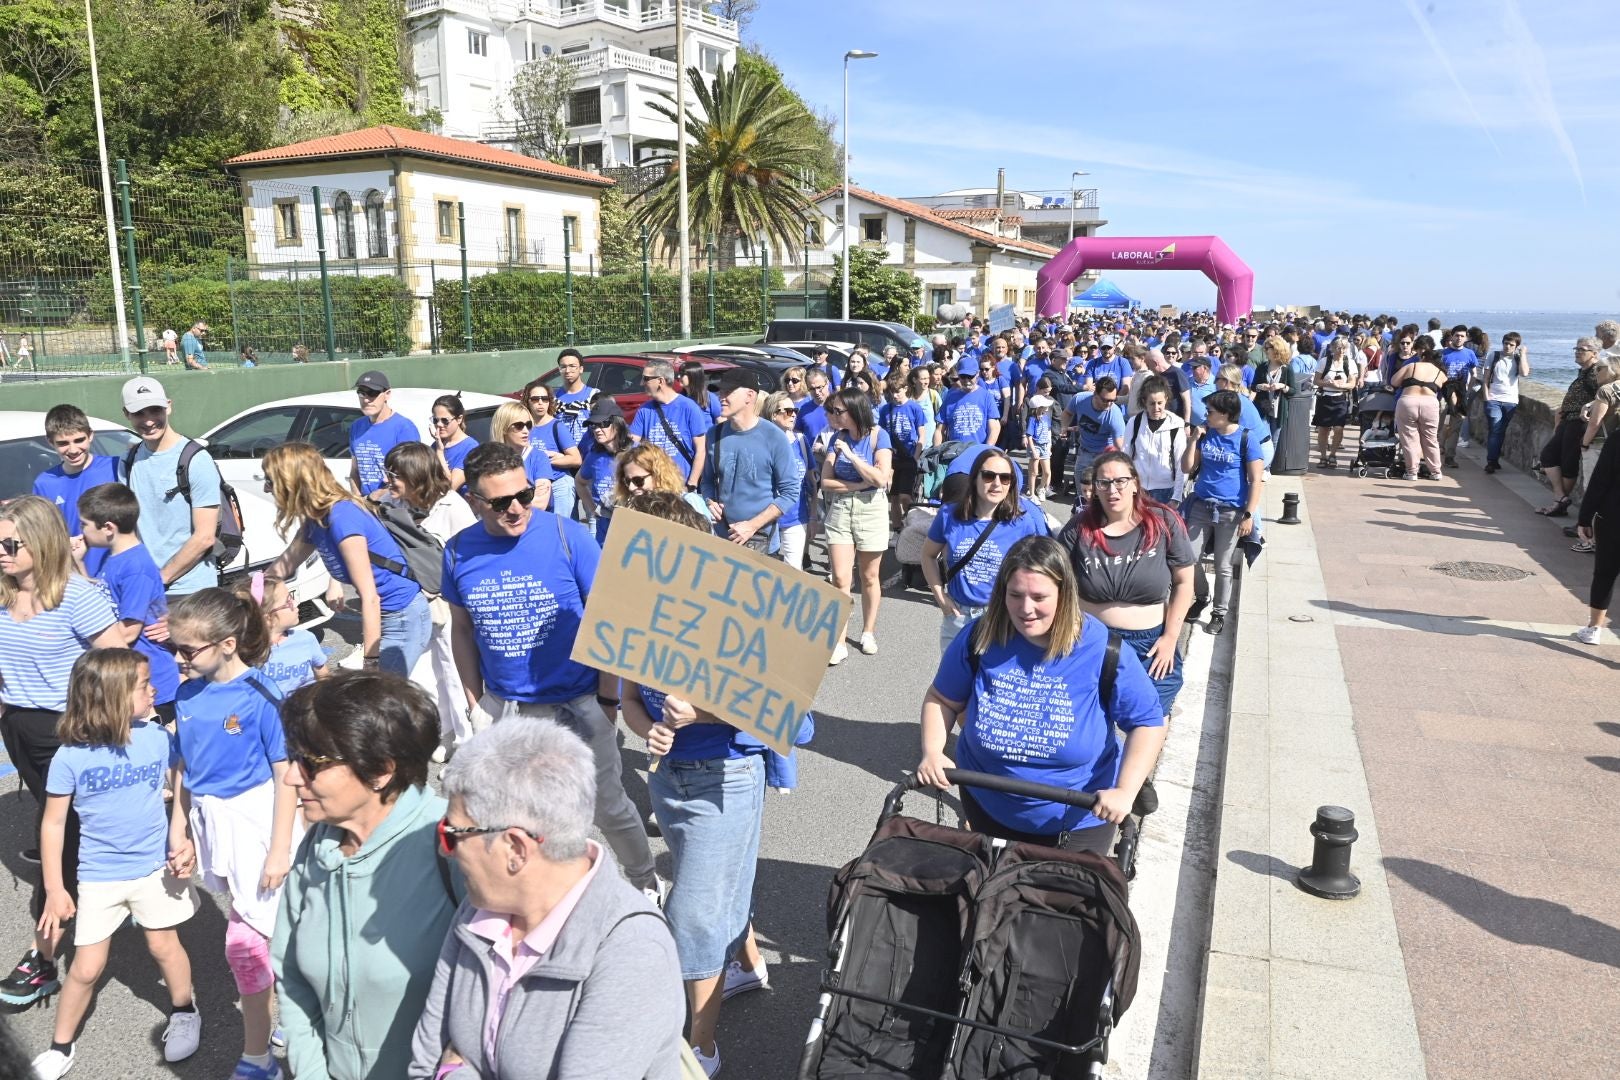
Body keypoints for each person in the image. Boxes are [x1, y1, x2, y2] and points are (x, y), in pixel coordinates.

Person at [408, 718, 685, 1080]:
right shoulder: (480, 912)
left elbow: (440, 1067)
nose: (446, 851)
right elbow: (424, 1063)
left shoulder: (633, 951)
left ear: (516, 849)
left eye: (452, 834)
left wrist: (452, 1071)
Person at [445, 443, 662, 900]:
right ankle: (549, 899)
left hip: (580, 703)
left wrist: (608, 700)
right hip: (511, 711)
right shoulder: (458, 552)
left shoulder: (568, 536)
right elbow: (462, 631)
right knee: (522, 817)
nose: (517, 508)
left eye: (524, 494)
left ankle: (644, 882)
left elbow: (610, 619)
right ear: (474, 501)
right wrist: (474, 703)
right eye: (501, 502)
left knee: (609, 807)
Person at [617, 493, 775, 1078]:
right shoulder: (633, 613)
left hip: (727, 775)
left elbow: (782, 713)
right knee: (715, 887)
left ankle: (700, 1048)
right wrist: (650, 729)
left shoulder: (734, 613)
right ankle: (749, 965)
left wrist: (702, 715)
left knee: (693, 912)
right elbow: (631, 701)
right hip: (669, 779)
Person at [915, 535, 1166, 855]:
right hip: (987, 803)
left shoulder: (1103, 650)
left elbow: (1146, 722)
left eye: (1039, 596)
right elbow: (942, 699)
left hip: (1077, 819)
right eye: (1015, 595)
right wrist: (933, 750)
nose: (1026, 608)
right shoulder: (980, 636)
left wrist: (1125, 791)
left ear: (1065, 594)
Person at [273, 671, 460, 1080]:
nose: (291, 776)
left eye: (311, 762)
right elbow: (289, 976)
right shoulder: (317, 847)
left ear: (380, 770)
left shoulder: (452, 846)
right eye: (292, 758)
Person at [30, 649, 201, 1080]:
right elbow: (53, 825)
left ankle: (184, 1010)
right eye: (143, 686)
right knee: (85, 967)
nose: (153, 690)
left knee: (164, 945)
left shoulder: (155, 737)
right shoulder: (69, 757)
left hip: (152, 869)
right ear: (111, 697)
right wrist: (55, 888)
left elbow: (183, 776)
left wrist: (186, 837)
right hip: (98, 876)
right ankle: (60, 1046)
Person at [167, 587, 300, 1080]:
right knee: (261, 924)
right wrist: (179, 829)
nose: (178, 660)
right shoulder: (185, 693)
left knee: (249, 938)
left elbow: (286, 773)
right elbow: (182, 764)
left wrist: (280, 849)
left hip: (257, 824)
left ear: (227, 643)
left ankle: (257, 1057)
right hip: (211, 822)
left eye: (187, 650)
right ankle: (285, 1015)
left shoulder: (262, 695)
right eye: (173, 649)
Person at [0, 498, 121, 1009]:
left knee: (66, 837)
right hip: (18, 727)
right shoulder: (2, 597)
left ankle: (42, 957)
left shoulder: (78, 597)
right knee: (59, 829)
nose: (1, 553)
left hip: (66, 733)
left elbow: (119, 663)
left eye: (10, 544)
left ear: (42, 542)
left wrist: (101, 725)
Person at [264, 442, 432, 676]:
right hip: (384, 615)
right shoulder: (316, 519)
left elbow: (370, 597)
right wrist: (241, 600)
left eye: (270, 481)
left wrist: (370, 664)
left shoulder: (342, 517)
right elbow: (280, 568)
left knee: (379, 701)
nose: (265, 488)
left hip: (401, 618)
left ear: (292, 481)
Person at [1060, 451, 1194, 723]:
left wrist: (1170, 638)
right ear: (1095, 489)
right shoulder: (1079, 528)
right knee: (1089, 719)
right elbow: (1054, 581)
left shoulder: (1162, 522)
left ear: (1135, 483)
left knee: (1151, 718)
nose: (1112, 489)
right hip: (1091, 640)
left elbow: (1184, 582)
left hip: (1149, 645)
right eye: (1103, 483)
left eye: (1120, 481)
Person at [381, 441, 477, 753]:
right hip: (417, 606)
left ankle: (467, 743)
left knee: (454, 671)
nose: (388, 480)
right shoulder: (397, 505)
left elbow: (470, 559)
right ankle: (440, 734)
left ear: (416, 474)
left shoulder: (452, 506)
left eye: (395, 474)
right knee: (424, 675)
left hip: (451, 607)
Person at [922, 448, 1050, 652]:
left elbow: (1038, 573)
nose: (997, 484)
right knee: (952, 683)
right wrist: (940, 597)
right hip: (957, 616)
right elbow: (928, 555)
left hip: (1000, 617)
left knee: (989, 682)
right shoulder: (949, 515)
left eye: (1005, 478)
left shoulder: (1022, 522)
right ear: (975, 478)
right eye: (989, 476)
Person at [75, 483, 182, 723]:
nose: (81, 531)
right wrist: (79, 564)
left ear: (108, 528)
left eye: (84, 524)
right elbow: (97, 600)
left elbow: (129, 631)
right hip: (127, 677)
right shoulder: (114, 557)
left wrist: (85, 640)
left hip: (151, 683)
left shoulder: (136, 567)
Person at [118, 376, 223, 597]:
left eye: (154, 410)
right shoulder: (128, 460)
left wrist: (162, 578)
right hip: (148, 588)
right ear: (126, 414)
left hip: (192, 591)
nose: (148, 421)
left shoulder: (196, 460)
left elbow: (205, 536)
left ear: (168, 406)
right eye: (139, 413)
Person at [1180, 391, 1265, 636]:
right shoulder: (1207, 435)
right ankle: (1202, 596)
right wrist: (1194, 440)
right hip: (1201, 506)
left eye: (1211, 412)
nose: (1206, 415)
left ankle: (1219, 612)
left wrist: (1248, 514)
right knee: (1190, 557)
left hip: (1231, 512)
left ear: (1226, 415)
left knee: (1223, 565)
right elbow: (1187, 467)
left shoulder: (1246, 439)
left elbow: (1255, 479)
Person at [821, 386, 894, 663]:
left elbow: (880, 479)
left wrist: (851, 457)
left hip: (870, 509)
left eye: (837, 411)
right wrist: (856, 484)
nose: (832, 415)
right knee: (840, 578)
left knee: (870, 576)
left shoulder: (878, 436)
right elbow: (825, 482)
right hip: (840, 509)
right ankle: (839, 641)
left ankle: (868, 631)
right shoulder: (836, 438)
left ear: (853, 412)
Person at [698, 368, 800, 554]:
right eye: (720, 391)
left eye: (728, 392)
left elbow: (790, 492)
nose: (722, 397)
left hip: (761, 543)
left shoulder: (774, 437)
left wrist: (752, 525)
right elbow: (706, 481)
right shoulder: (715, 434)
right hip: (723, 541)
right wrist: (709, 501)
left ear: (750, 396)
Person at [32, 405, 120, 577]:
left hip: (119, 574)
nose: (73, 450)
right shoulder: (45, 483)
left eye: (79, 440)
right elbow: (42, 537)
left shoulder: (116, 467)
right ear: (50, 442)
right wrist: (63, 543)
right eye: (63, 443)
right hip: (75, 578)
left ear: (91, 435)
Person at [1535, 340, 1604, 517]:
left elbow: (1604, 396)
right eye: (1576, 348)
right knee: (1549, 457)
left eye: (1582, 349)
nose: (1577, 352)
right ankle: (1560, 499)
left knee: (1567, 464)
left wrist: (1588, 408)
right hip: (1568, 421)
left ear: (1595, 353)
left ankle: (1559, 503)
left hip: (1579, 424)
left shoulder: (1596, 372)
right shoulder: (1583, 372)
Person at [244, 572, 329, 696]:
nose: (295, 603)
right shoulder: (247, 652)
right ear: (268, 618)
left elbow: (323, 675)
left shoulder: (306, 639)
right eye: (288, 602)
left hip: (303, 709)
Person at [629, 358, 709, 489]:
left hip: (681, 485)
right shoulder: (644, 410)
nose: (642, 382)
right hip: (653, 485)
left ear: (660, 381)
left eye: (646, 378)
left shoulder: (689, 407)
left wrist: (692, 483)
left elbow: (701, 450)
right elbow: (632, 446)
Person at [1574, 430, 1620, 644]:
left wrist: (1584, 518)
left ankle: (1594, 628)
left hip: (1613, 516)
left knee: (1605, 573)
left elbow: (1601, 478)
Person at [762, 390, 815, 571]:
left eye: (795, 411)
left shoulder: (801, 441)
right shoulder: (761, 443)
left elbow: (811, 482)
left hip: (796, 516)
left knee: (793, 571)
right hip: (767, 516)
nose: (793, 415)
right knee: (767, 570)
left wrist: (813, 515)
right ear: (773, 414)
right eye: (788, 411)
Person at [349, 370, 420, 499]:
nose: (366, 399)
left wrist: (377, 497)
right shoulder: (356, 427)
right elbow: (355, 470)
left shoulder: (404, 428)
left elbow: (411, 475)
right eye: (361, 393)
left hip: (395, 505)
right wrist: (358, 499)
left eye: (372, 393)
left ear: (387, 394)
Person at [523, 379, 582, 521]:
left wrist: (553, 459)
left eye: (545, 399)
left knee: (560, 527)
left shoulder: (557, 426)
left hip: (558, 484)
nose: (540, 403)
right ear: (527, 401)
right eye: (535, 399)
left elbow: (576, 459)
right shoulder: (523, 427)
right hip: (532, 487)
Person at [575, 397, 632, 544]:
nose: (598, 429)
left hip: (632, 525)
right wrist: (593, 509)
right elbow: (579, 482)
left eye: (604, 424)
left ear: (618, 424)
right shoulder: (593, 456)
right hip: (605, 525)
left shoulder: (637, 452)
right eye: (593, 426)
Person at [1123, 376, 1188, 504]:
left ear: (1166, 400)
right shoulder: (1134, 422)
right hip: (1138, 489)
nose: (1156, 408)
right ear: (1144, 401)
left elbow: (1181, 463)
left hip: (1165, 491)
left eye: (1160, 403)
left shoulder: (1175, 425)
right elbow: (1125, 456)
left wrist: (1177, 496)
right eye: (1152, 403)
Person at [615, 442, 711, 524]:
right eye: (627, 481)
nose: (631, 487)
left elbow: (704, 541)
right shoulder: (630, 510)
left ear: (658, 475)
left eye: (638, 481)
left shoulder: (690, 502)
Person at [878, 372, 927, 532]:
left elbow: (922, 434)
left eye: (898, 391)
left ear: (906, 388)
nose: (895, 395)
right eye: (892, 392)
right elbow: (882, 433)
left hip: (909, 456)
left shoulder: (914, 408)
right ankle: (898, 528)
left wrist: (916, 456)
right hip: (893, 457)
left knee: (905, 496)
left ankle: (910, 523)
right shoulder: (886, 409)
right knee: (893, 497)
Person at [1061, 375, 1127, 490]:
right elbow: (1067, 413)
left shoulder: (1114, 415)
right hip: (1085, 450)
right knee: (1082, 489)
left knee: (1101, 491)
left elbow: (1120, 445)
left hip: (1104, 455)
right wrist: (1064, 427)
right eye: (1105, 400)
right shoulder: (1080, 399)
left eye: (1113, 400)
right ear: (1095, 394)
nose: (1109, 404)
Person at [1480, 332, 1530, 474]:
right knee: (1495, 429)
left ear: (1516, 346)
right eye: (1505, 343)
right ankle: (1491, 461)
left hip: (1511, 401)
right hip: (1494, 399)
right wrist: (1486, 398)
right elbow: (1485, 379)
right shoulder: (1494, 356)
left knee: (1500, 431)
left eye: (1511, 345)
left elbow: (1524, 373)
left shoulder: (1518, 358)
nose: (1507, 347)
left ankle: (1494, 459)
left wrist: (1524, 354)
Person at [1313, 337, 1360, 468]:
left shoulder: (1350, 363)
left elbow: (1352, 383)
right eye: (1338, 347)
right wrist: (1328, 383)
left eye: (1344, 347)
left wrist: (1341, 385)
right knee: (1323, 429)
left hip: (1340, 398)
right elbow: (1316, 381)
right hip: (1325, 397)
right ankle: (1323, 456)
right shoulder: (1324, 361)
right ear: (1332, 348)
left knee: (1339, 428)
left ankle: (1333, 454)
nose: (1341, 350)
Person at [938, 357, 1000, 446]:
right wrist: (937, 452)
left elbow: (994, 428)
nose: (966, 381)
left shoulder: (986, 397)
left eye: (970, 376)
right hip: (955, 452)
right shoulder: (950, 397)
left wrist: (986, 449)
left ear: (977, 374)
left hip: (978, 451)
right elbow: (939, 429)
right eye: (963, 377)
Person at [1250, 338, 1296, 445]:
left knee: (1274, 442)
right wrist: (1261, 386)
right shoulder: (1262, 367)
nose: (1265, 350)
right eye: (1265, 348)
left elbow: (1293, 390)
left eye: (1268, 348)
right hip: (1262, 408)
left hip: (1278, 410)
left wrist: (1282, 386)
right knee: (1263, 440)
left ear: (1277, 349)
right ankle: (1264, 462)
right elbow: (1253, 387)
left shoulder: (1287, 368)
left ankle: (1269, 462)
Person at [431, 394, 479, 495]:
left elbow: (450, 487)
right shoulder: (436, 444)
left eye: (445, 420)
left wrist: (440, 452)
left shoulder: (470, 447)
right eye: (436, 420)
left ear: (459, 419)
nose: (439, 424)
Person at [552, 348, 599, 449]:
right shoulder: (552, 398)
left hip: (588, 455)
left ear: (581, 369)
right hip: (562, 456)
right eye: (563, 367)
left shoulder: (594, 395)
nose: (568, 371)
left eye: (572, 366)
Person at [1024, 393, 1055, 500]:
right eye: (1044, 406)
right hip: (1035, 446)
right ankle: (1032, 493)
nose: (1047, 408)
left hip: (1045, 445)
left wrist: (1049, 445)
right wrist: (1033, 450)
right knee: (1034, 472)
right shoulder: (1032, 420)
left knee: (1047, 472)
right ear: (1039, 407)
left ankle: (1041, 488)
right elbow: (1029, 437)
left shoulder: (1046, 418)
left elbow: (1048, 431)